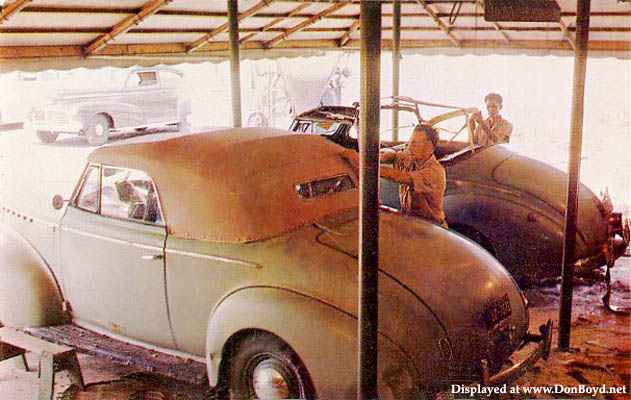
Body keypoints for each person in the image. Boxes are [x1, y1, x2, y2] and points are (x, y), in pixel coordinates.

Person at [379, 124, 447, 227]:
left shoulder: (435, 172)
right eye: (409, 142)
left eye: (414, 144)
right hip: (413, 224)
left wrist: (368, 167)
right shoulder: (412, 158)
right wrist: (389, 154)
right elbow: (395, 155)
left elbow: (398, 176)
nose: (409, 147)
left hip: (432, 229)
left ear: (429, 147)